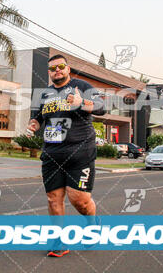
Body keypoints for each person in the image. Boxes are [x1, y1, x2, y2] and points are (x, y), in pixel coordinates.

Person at [27, 55, 105, 257]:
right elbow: (37, 117)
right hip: (52, 154)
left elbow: (102, 108)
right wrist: (34, 124)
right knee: (54, 198)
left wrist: (81, 102)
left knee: (79, 199)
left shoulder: (82, 86)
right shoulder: (44, 94)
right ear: (49, 72)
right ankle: (58, 240)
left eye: (61, 67)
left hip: (80, 152)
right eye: (53, 68)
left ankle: (92, 223)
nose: (57, 70)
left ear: (68, 69)